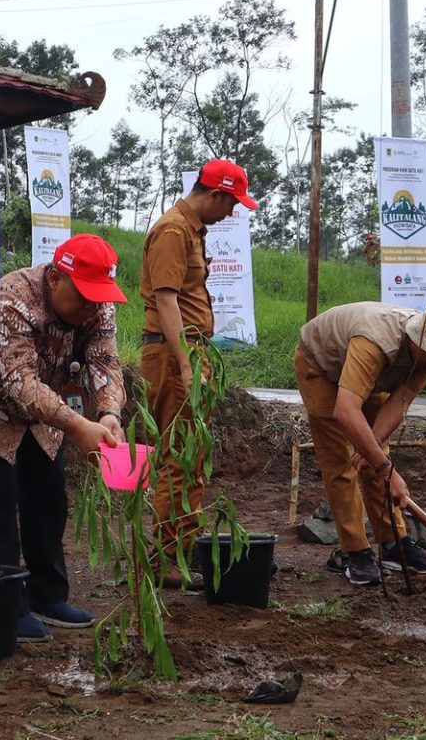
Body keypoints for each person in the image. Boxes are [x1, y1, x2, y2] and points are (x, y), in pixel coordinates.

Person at [0, 234, 129, 643]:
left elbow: (105, 361)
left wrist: (108, 413)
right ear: (55, 278)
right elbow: (19, 382)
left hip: (42, 404)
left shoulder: (97, 308)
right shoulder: (15, 296)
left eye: (98, 298)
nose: (91, 307)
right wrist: (77, 425)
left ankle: (47, 596)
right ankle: (5, 605)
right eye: (83, 296)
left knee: (49, 496)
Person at [139, 159, 257, 586]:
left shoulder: (190, 230)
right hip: (174, 356)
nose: (232, 213)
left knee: (193, 454)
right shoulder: (173, 232)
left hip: (188, 353)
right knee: (178, 456)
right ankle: (169, 558)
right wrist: (187, 365)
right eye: (231, 204)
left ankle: (183, 549)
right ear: (215, 194)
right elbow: (167, 301)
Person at [296, 300, 426, 586]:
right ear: (419, 341)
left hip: (371, 376)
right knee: (342, 461)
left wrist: (374, 451)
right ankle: (356, 552)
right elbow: (345, 411)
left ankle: (393, 544)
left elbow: (398, 404)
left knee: (374, 454)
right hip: (322, 368)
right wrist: (387, 471)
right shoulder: (375, 343)